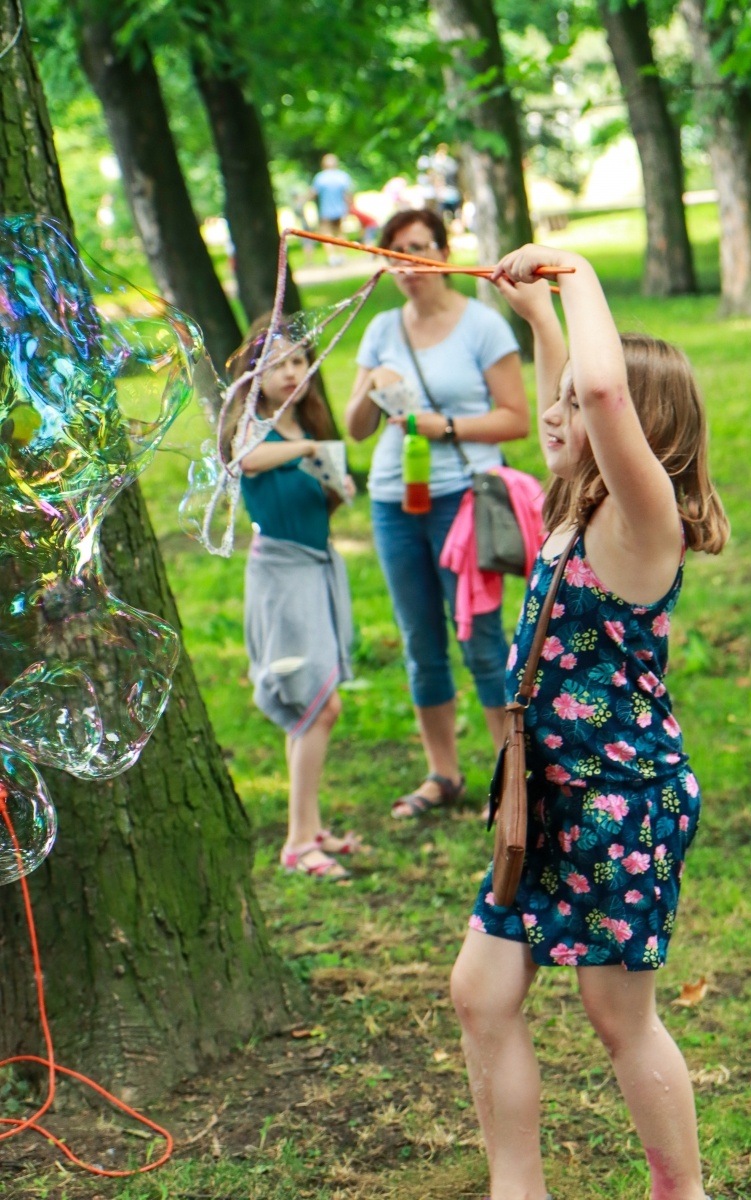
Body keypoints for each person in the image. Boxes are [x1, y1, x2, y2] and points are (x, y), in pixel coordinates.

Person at [450, 244, 729, 1200]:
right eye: (559, 396)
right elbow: (583, 397)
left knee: (617, 1017)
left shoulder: (642, 525)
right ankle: (516, 1188)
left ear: (633, 432)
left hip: (621, 807)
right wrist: (538, 319)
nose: (555, 415)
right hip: (545, 798)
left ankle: (679, 1191)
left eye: (572, 404)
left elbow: (603, 393)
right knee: (480, 993)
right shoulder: (578, 506)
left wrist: (574, 270)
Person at [344, 209, 530, 818]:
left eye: (418, 248)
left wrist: (443, 426)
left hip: (464, 499)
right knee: (420, 641)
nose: (407, 264)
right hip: (394, 501)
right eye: (394, 253)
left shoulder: (482, 325)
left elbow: (516, 419)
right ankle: (443, 774)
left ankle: (510, 782)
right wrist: (372, 383)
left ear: (444, 253)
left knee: (481, 640)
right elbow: (356, 428)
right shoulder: (381, 329)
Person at [224, 316, 359, 881]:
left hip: (315, 568)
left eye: (298, 361)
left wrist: (337, 484)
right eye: (276, 363)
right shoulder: (254, 426)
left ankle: (311, 827)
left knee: (313, 706)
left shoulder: (307, 422)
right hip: (281, 577)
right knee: (318, 707)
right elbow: (245, 460)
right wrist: (304, 448)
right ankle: (299, 842)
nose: (290, 372)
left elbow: (318, 495)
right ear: (254, 372)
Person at [308, 154, 353, 264]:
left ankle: (332, 257)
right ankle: (342, 256)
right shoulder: (342, 176)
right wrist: (349, 208)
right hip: (340, 209)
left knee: (326, 234)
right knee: (340, 233)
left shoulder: (320, 177)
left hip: (325, 210)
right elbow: (348, 194)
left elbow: (313, 193)